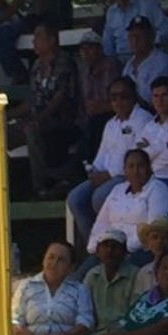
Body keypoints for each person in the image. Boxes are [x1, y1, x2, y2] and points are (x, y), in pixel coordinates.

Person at [66, 78, 153, 254]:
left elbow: (139, 157)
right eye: (114, 97)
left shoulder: (143, 120)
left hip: (128, 176)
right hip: (105, 175)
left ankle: (115, 245)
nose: (119, 101)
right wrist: (94, 172)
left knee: (99, 197)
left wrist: (108, 176)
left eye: (124, 96)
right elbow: (102, 154)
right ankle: (98, 247)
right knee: (75, 198)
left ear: (133, 97)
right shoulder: (111, 124)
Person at [7, 21, 80, 199]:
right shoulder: (37, 66)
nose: (34, 42)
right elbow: (33, 100)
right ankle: (7, 187)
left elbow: (60, 98)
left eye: (38, 37)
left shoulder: (66, 62)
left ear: (52, 40)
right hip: (36, 118)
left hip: (62, 121)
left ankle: (41, 188)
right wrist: (5, 116)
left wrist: (37, 120)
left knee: (31, 132)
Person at [85, 150, 168, 273]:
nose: (135, 171)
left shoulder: (158, 190)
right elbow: (100, 224)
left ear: (149, 168)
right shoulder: (117, 190)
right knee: (84, 276)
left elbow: (154, 231)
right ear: (125, 170)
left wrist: (122, 248)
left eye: (140, 166)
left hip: (139, 251)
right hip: (110, 250)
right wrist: (96, 248)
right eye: (131, 166)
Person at [102, 0, 168, 61]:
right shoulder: (111, 12)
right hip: (121, 62)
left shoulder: (148, 4)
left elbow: (167, 30)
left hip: (149, 59)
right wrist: (111, 62)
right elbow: (108, 42)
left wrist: (149, 43)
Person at [76, 30, 122, 165]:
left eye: (90, 48)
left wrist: (102, 107)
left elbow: (118, 98)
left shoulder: (112, 67)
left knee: (96, 124)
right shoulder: (83, 70)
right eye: (83, 48)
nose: (86, 52)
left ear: (100, 49)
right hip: (88, 117)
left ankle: (82, 167)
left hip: (111, 114)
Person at [82, 230, 139, 335]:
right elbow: (84, 312)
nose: (109, 250)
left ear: (125, 251)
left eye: (115, 246)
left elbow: (136, 314)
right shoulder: (92, 275)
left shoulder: (136, 275)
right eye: (105, 245)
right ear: (98, 250)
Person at [121, 15, 168, 105]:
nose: (135, 41)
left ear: (151, 37)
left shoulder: (163, 62)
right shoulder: (128, 66)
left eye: (139, 36)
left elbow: (155, 100)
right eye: (132, 36)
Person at [130, 218, 168, 301]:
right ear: (148, 243)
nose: (159, 241)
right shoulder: (144, 272)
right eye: (155, 237)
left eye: (165, 238)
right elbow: (136, 301)